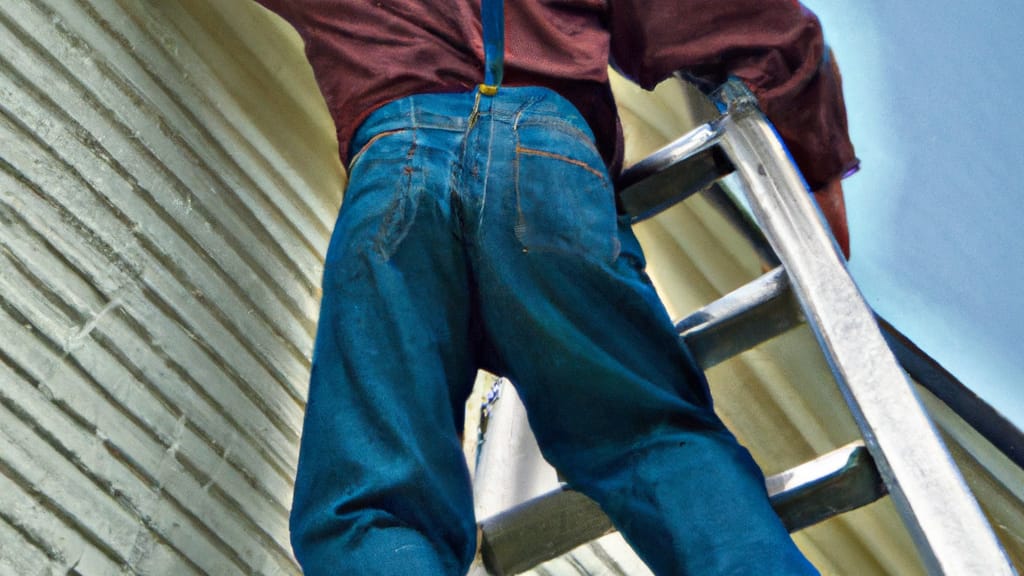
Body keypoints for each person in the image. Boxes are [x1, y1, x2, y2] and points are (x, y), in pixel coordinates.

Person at [253, 1, 858, 574]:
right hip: (548, 158)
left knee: (375, 507)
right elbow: (756, 24)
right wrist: (816, 168)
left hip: (396, 163)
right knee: (651, 438)